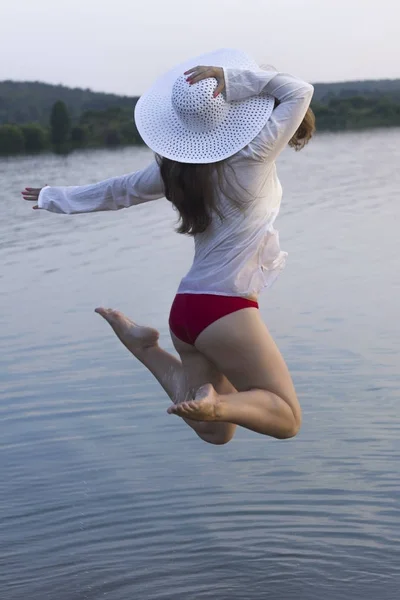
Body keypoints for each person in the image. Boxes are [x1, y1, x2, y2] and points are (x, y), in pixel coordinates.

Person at [22, 48, 315, 445]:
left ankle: (144, 347)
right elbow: (299, 91)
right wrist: (234, 78)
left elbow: (118, 191)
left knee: (214, 431)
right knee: (286, 417)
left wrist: (55, 196)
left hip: (188, 310)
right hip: (226, 309)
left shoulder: (177, 170)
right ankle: (215, 401)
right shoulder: (253, 153)